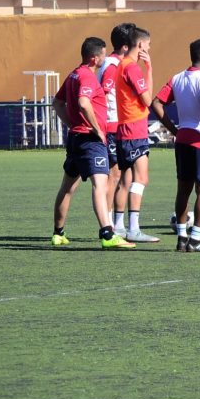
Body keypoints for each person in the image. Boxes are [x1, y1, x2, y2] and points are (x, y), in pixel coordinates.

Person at [50, 37, 135, 249]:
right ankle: (107, 234)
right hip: (90, 140)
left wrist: (72, 124)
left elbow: (57, 103)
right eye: (103, 55)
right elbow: (83, 102)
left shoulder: (73, 74)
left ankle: (58, 233)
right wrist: (97, 129)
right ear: (94, 58)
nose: (105, 58)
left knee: (67, 188)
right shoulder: (87, 76)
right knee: (100, 185)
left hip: (76, 138)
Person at [151, 39, 200, 252]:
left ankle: (182, 238)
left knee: (183, 190)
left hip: (183, 140)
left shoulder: (177, 78)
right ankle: (195, 240)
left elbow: (156, 103)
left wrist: (174, 130)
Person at [114, 25, 160, 243]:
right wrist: (149, 69)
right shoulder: (131, 68)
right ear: (140, 44)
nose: (149, 48)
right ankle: (133, 229)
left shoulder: (122, 65)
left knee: (126, 179)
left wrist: (148, 67)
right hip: (134, 129)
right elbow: (147, 99)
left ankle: (118, 226)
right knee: (141, 178)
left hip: (124, 128)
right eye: (148, 44)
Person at [97, 22, 136, 236]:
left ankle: (115, 223)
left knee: (119, 175)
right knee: (113, 176)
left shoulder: (114, 63)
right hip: (111, 126)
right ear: (125, 46)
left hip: (115, 126)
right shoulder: (113, 66)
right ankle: (109, 224)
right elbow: (103, 94)